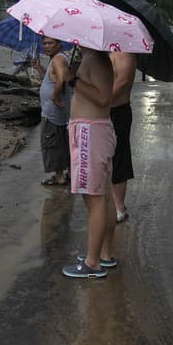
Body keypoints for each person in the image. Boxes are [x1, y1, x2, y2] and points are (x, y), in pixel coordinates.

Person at [62, 47, 117, 279]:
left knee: (94, 198)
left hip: (90, 133)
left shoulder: (96, 59)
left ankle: (93, 263)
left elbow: (104, 97)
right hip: (91, 130)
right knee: (101, 196)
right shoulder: (93, 58)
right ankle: (102, 254)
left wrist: (73, 79)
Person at [32, 37, 73, 186]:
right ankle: (66, 174)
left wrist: (55, 97)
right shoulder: (56, 59)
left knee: (52, 143)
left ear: (59, 44)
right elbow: (50, 80)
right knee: (61, 142)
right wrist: (39, 68)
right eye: (44, 43)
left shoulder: (58, 59)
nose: (46, 46)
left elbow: (61, 79)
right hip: (55, 112)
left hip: (52, 113)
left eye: (50, 43)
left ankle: (59, 177)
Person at [109, 51, 137, 223]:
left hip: (117, 110)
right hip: (104, 110)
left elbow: (122, 82)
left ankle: (119, 206)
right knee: (106, 160)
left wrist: (100, 101)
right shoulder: (107, 53)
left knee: (119, 156)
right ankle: (110, 202)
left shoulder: (126, 54)